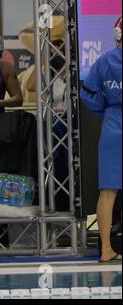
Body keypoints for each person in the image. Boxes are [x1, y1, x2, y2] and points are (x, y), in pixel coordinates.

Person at [80, 16, 122, 263]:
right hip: (114, 119)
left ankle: (106, 249)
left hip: (113, 126)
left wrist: (106, 108)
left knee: (108, 192)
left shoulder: (105, 60)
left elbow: (87, 94)